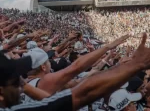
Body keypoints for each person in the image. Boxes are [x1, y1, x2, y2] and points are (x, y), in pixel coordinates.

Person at [0, 33, 150, 111]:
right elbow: (76, 77)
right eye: (13, 77)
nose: (18, 80)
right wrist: (131, 64)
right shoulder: (44, 82)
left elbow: (79, 80)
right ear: (44, 67)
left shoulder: (29, 89)